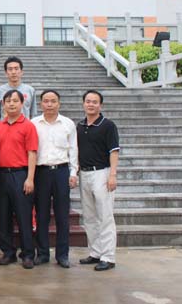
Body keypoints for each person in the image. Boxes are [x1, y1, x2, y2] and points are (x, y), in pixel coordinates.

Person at [31, 90, 78, 269]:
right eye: (46, 101)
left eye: (53, 101)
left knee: (62, 216)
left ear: (59, 103)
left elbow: (73, 149)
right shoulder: (34, 124)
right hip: (41, 172)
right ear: (41, 104)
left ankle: (62, 255)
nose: (49, 104)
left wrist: (73, 173)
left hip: (61, 171)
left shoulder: (68, 124)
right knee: (41, 215)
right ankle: (42, 253)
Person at [0, 89, 38, 269]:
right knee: (3, 216)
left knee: (23, 216)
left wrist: (30, 178)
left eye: (15, 101)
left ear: (22, 104)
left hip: (21, 174)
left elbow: (32, 153)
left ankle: (28, 254)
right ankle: (8, 252)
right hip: (1, 175)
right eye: (8, 101)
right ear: (3, 104)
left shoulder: (28, 126)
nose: (11, 104)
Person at [77, 90, 120, 272]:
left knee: (105, 216)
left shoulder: (108, 125)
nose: (91, 104)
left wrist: (113, 175)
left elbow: (114, 151)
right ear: (83, 104)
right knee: (89, 216)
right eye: (88, 101)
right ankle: (95, 252)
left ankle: (108, 257)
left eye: (95, 102)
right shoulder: (79, 126)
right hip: (84, 174)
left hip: (102, 173)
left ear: (100, 105)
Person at [0, 56, 37, 121]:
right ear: (6, 73)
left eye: (16, 68)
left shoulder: (30, 90)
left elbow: (31, 114)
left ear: (21, 72)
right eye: (10, 69)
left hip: (24, 126)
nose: (13, 72)